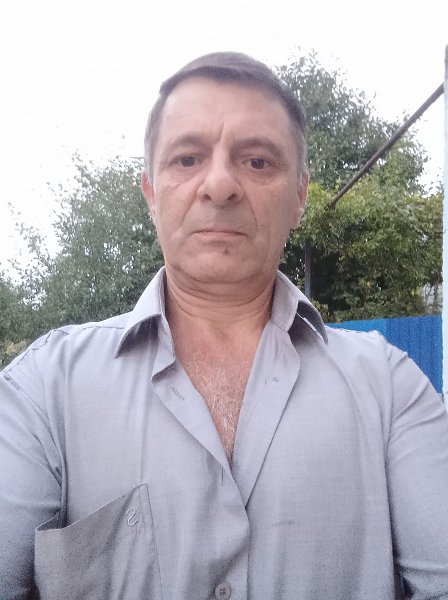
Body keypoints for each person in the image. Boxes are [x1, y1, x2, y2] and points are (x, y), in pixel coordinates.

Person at [1, 52, 448, 600]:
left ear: (299, 197)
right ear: (151, 192)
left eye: (257, 161)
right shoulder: (42, 391)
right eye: (187, 158)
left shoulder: (391, 387)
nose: (219, 185)